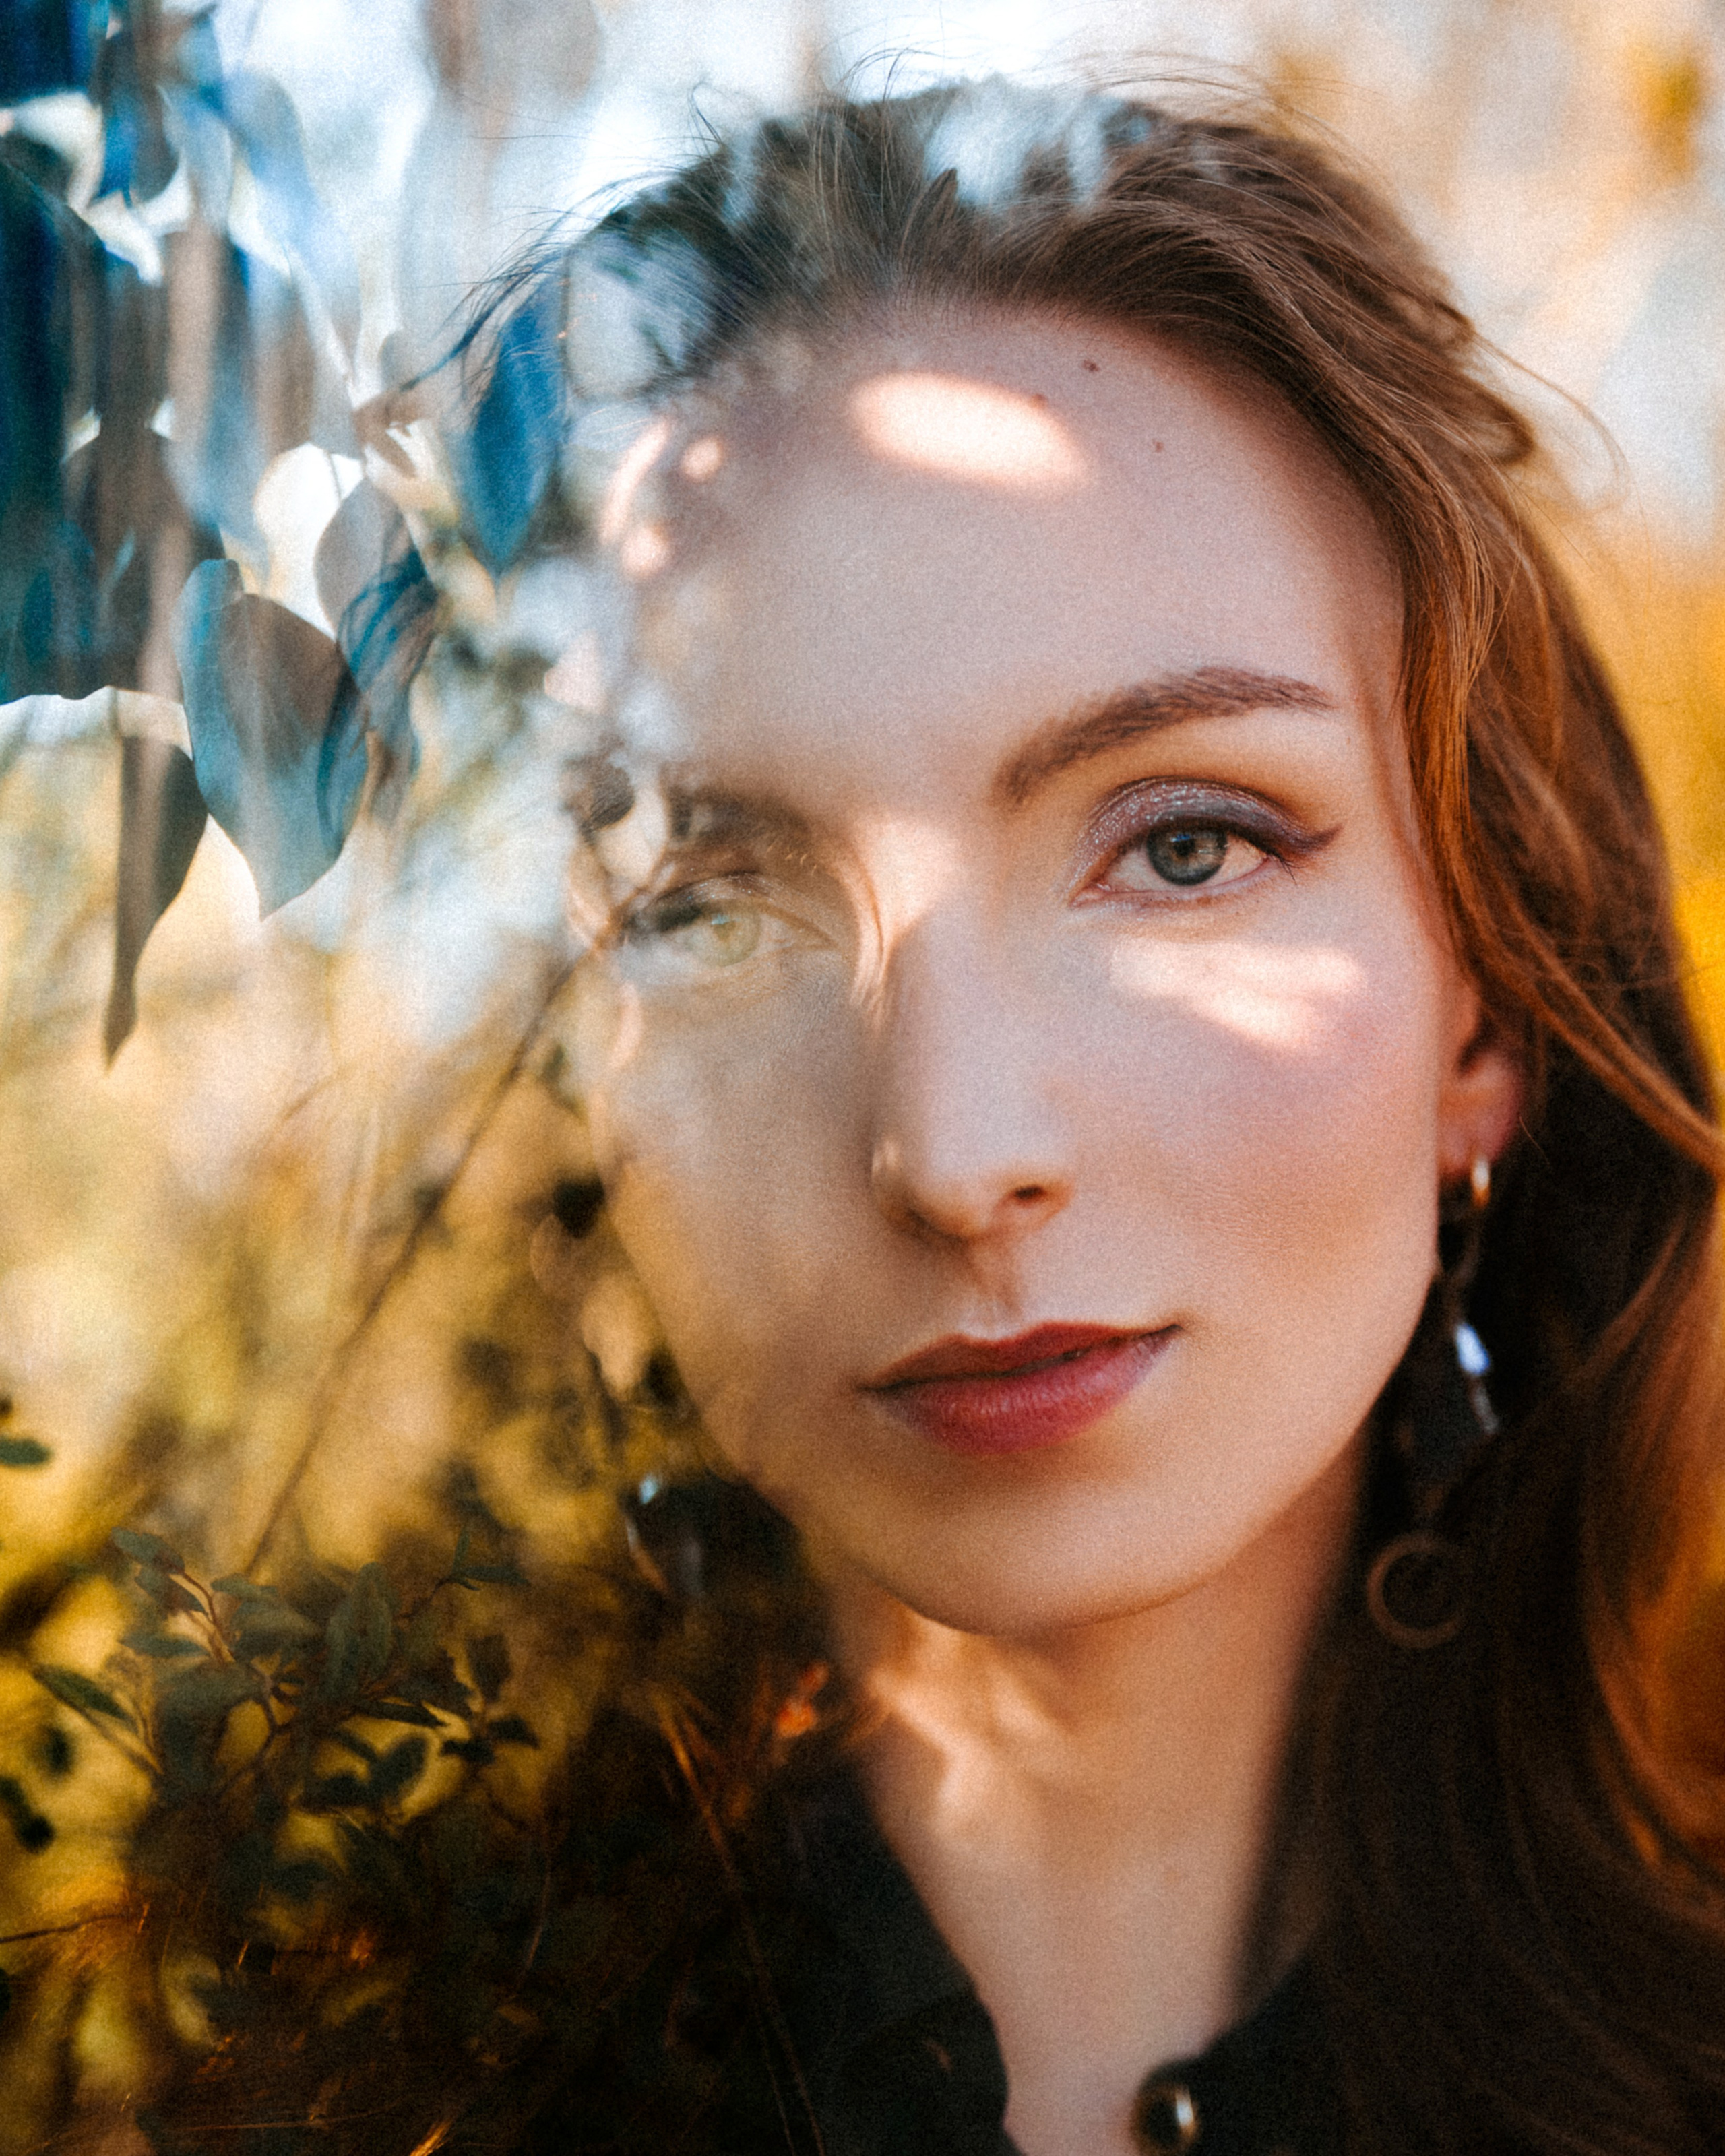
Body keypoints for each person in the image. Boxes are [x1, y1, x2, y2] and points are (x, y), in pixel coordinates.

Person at [490, 75, 1725, 2156]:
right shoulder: (347, 2067)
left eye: (1183, 847)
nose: (954, 1153)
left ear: (1489, 1014)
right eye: (714, 902)